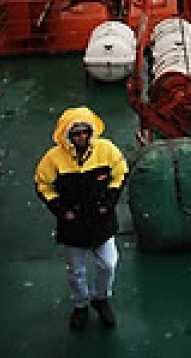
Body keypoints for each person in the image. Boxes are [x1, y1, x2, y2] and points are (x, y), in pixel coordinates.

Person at [35, 107, 129, 331]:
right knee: (76, 271)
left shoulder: (106, 151)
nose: (81, 138)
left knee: (108, 263)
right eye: (76, 134)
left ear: (91, 132)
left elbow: (120, 173)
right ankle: (80, 304)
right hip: (73, 225)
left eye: (85, 132)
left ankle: (101, 298)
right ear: (67, 136)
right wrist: (61, 210)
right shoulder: (53, 159)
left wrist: (108, 202)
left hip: (100, 221)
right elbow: (43, 185)